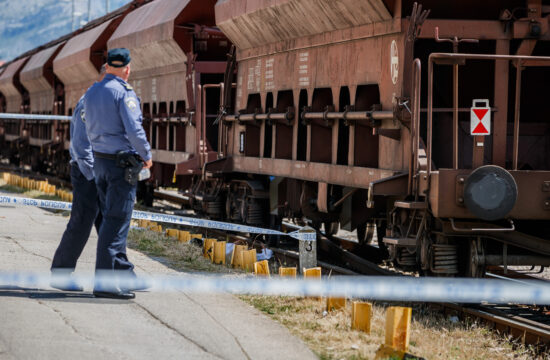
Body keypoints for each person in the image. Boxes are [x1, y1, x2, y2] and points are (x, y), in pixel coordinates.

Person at [84, 48, 152, 300]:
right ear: (127, 68)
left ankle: (123, 275)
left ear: (107, 65)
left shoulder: (92, 92)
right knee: (116, 222)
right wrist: (146, 155)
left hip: (99, 162)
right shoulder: (123, 93)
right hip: (120, 165)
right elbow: (134, 129)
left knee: (109, 219)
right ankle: (104, 284)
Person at [50, 64, 107, 291]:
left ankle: (115, 277)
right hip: (88, 173)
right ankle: (61, 274)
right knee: (82, 222)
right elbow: (82, 147)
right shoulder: (89, 102)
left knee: (108, 225)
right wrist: (95, 176)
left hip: (100, 173)